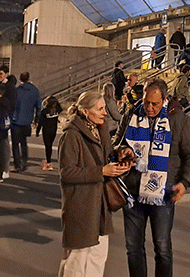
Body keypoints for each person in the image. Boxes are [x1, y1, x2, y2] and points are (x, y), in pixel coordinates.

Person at [116, 78, 190, 277]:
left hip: (163, 192)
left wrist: (185, 182)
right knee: (133, 248)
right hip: (133, 191)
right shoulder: (132, 114)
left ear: (164, 100)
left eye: (154, 103)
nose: (149, 107)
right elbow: (117, 140)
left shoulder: (178, 119)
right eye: (146, 102)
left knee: (162, 247)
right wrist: (122, 150)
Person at [59, 91, 132, 277]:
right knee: (77, 261)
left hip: (100, 205)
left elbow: (106, 155)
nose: (105, 113)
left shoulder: (101, 129)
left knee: (97, 258)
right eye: (100, 109)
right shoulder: (71, 136)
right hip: (81, 205)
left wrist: (120, 153)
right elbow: (67, 173)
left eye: (105, 108)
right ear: (85, 112)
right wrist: (101, 172)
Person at [12, 71, 42, 172]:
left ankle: (17, 164)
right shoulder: (35, 91)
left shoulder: (17, 90)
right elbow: (38, 106)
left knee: (15, 144)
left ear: (20, 79)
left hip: (15, 120)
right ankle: (24, 161)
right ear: (28, 78)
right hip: (27, 120)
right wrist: (36, 120)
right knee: (24, 142)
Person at [38, 95, 64, 170]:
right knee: (50, 145)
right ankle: (48, 161)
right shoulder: (56, 110)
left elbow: (41, 122)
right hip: (54, 130)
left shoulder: (44, 111)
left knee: (47, 146)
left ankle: (49, 162)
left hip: (46, 130)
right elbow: (60, 109)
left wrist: (37, 131)